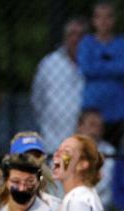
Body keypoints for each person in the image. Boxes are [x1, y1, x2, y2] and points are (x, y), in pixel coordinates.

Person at [77, 2, 124, 147]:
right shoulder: (86, 43)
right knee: (91, 148)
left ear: (114, 20)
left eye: (108, 17)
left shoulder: (123, 43)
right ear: (93, 20)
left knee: (116, 149)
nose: (104, 21)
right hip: (93, 107)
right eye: (99, 17)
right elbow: (86, 68)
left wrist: (99, 65)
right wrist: (113, 65)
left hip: (118, 108)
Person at [31, 17, 88, 151]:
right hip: (53, 137)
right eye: (71, 34)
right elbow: (37, 98)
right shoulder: (50, 63)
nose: (76, 39)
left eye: (80, 35)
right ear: (64, 37)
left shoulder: (93, 63)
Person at [75, 108, 115, 205]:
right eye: (92, 124)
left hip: (100, 200)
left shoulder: (109, 151)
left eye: (99, 126)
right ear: (80, 126)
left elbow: (104, 182)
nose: (95, 130)